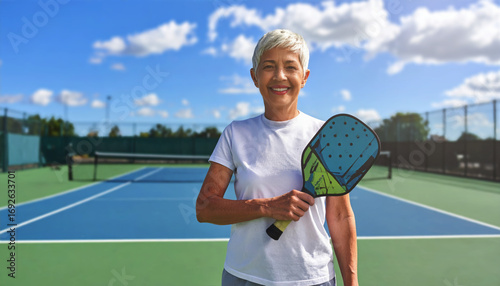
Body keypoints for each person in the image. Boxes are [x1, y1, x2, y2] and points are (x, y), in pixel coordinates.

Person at [196, 29, 358, 286]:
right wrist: (266, 206)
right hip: (243, 277)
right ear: (255, 77)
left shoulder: (324, 135)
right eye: (269, 66)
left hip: (313, 279)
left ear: (304, 77)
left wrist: (352, 282)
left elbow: (340, 216)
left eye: (290, 67)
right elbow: (204, 209)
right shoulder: (235, 133)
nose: (280, 76)